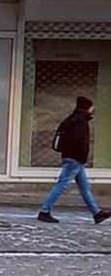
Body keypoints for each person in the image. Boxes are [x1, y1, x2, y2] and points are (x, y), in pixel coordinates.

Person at [38, 96, 109, 224]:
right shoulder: (80, 121)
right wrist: (82, 157)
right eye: (91, 107)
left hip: (72, 158)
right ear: (86, 108)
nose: (93, 109)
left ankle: (97, 213)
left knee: (84, 187)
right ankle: (44, 211)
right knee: (62, 184)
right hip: (75, 159)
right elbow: (79, 141)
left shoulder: (72, 119)